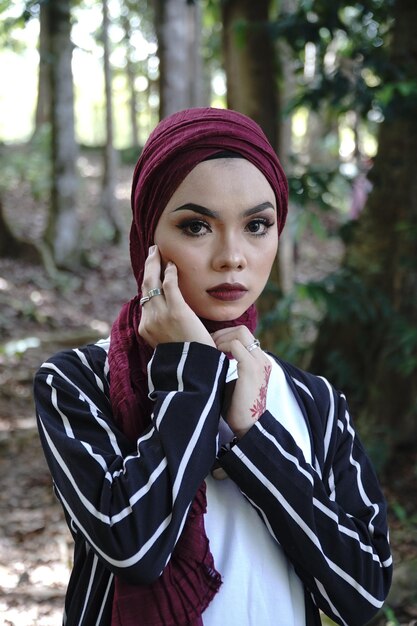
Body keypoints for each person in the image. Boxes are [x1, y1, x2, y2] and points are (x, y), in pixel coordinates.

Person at [34, 107, 392, 626]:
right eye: (197, 226)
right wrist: (190, 373)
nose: (232, 256)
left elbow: (362, 593)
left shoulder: (314, 401)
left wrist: (255, 439)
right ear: (147, 238)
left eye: (257, 225)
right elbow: (133, 546)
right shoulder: (75, 381)